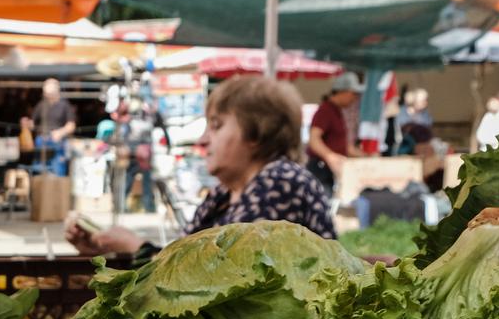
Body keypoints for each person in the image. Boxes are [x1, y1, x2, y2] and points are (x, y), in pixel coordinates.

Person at [69, 75, 334, 259]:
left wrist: (137, 248)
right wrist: (106, 247)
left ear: (256, 134)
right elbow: (185, 259)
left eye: (217, 126)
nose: (203, 140)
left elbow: (220, 277)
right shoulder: (223, 195)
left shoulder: (281, 181)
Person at [306, 71, 362, 190]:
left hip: (330, 172)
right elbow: (313, 138)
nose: (355, 98)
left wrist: (366, 156)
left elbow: (346, 147)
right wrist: (329, 156)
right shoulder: (325, 111)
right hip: (320, 170)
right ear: (343, 91)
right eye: (353, 94)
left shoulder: (337, 112)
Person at [23, 76, 76, 176]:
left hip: (57, 142)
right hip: (41, 141)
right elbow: (33, 123)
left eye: (50, 93)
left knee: (57, 170)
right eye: (46, 93)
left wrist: (60, 132)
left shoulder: (65, 105)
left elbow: (71, 125)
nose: (47, 95)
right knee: (39, 170)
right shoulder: (41, 105)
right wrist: (26, 123)